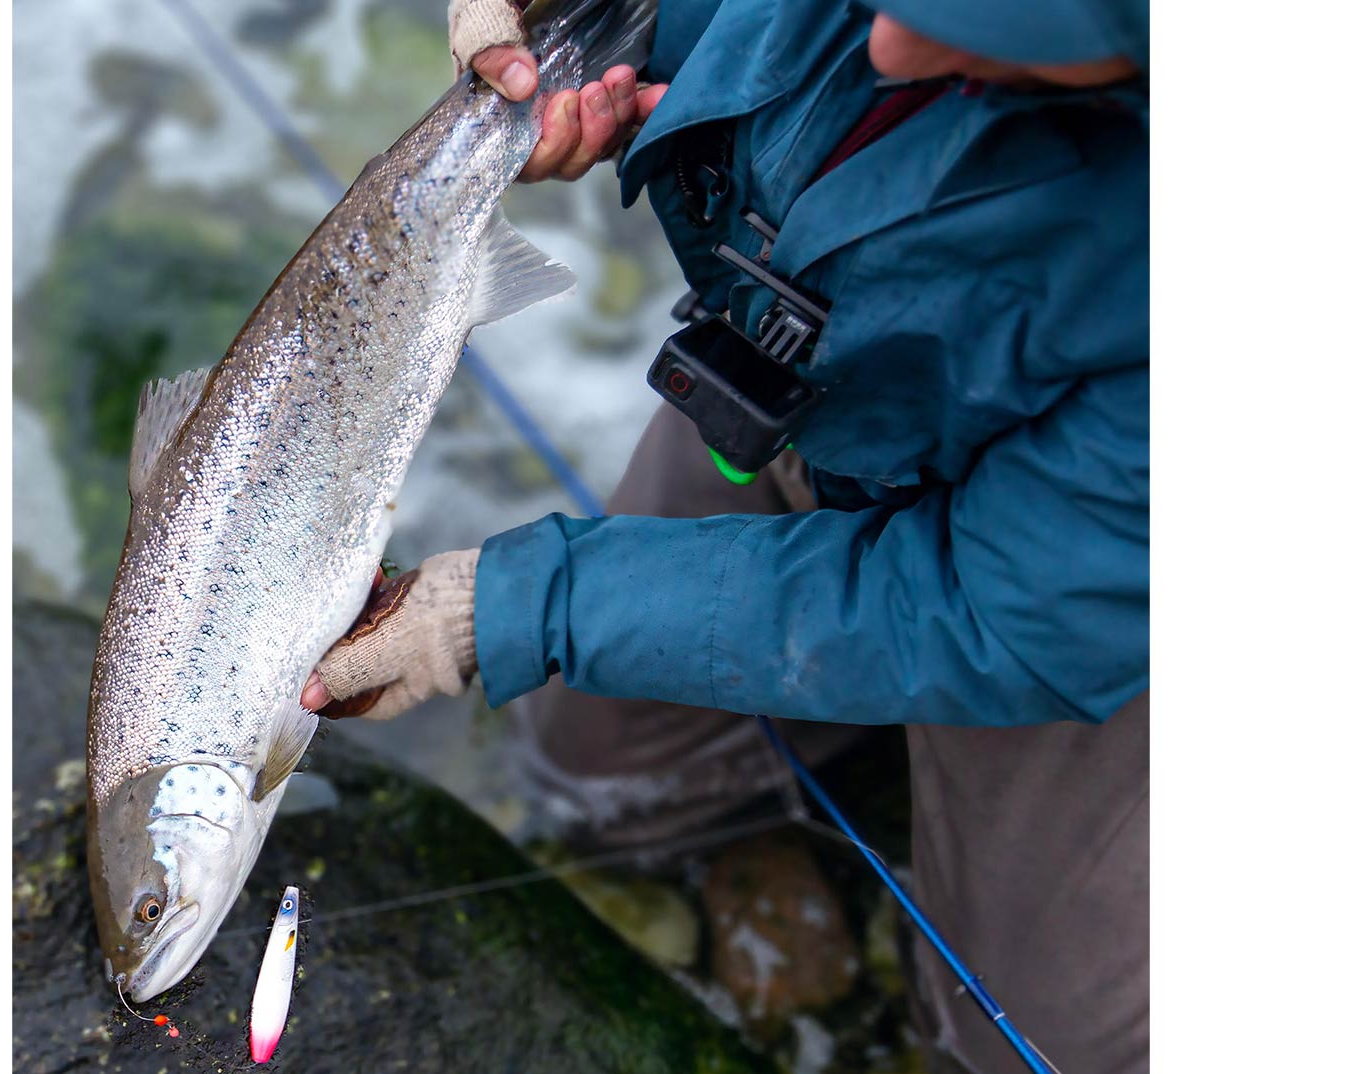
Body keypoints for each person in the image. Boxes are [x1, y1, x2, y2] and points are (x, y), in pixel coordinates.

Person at [303, 2, 1149, 1071]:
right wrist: (595, 20)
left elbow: (982, 610)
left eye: (994, 23)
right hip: (810, 408)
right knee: (599, 783)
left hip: (1065, 581)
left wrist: (516, 604)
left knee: (1033, 1041)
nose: (886, 43)